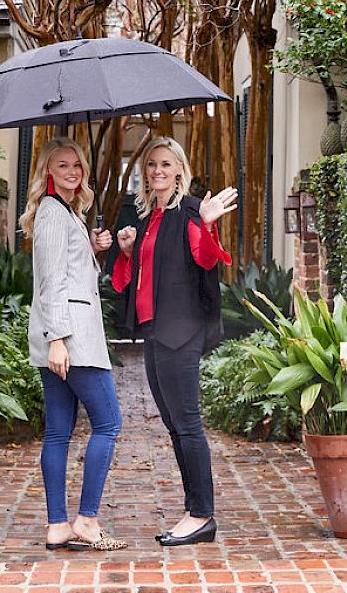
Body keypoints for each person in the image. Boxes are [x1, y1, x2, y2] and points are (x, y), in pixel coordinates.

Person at [111, 136, 237, 547]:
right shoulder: (152, 217)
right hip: (154, 330)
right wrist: (128, 252)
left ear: (180, 169)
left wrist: (209, 222)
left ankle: (202, 515)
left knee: (187, 423)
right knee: (173, 424)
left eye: (166, 163)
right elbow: (138, 277)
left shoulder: (191, 211)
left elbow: (206, 258)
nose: (158, 170)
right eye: (152, 164)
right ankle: (194, 511)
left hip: (180, 330)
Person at [20, 136, 126, 552]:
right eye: (62, 165)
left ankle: (58, 526)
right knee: (109, 422)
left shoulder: (66, 212)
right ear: (48, 170)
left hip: (64, 338)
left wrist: (93, 248)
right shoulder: (51, 213)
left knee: (59, 432)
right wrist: (58, 340)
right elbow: (51, 283)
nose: (72, 172)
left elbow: (71, 271)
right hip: (71, 339)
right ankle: (86, 520)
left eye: (77, 165)